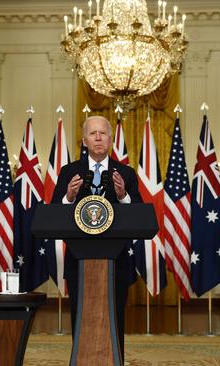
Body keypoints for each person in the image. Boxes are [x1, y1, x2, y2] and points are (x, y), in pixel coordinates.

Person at [51, 115, 141, 359]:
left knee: (115, 317)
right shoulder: (70, 172)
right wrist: (68, 196)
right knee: (81, 316)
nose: (98, 137)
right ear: (84, 140)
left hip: (117, 262)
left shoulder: (126, 174)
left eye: (103, 133)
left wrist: (123, 196)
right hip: (79, 262)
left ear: (111, 139)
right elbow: (55, 213)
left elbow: (139, 216)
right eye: (93, 133)